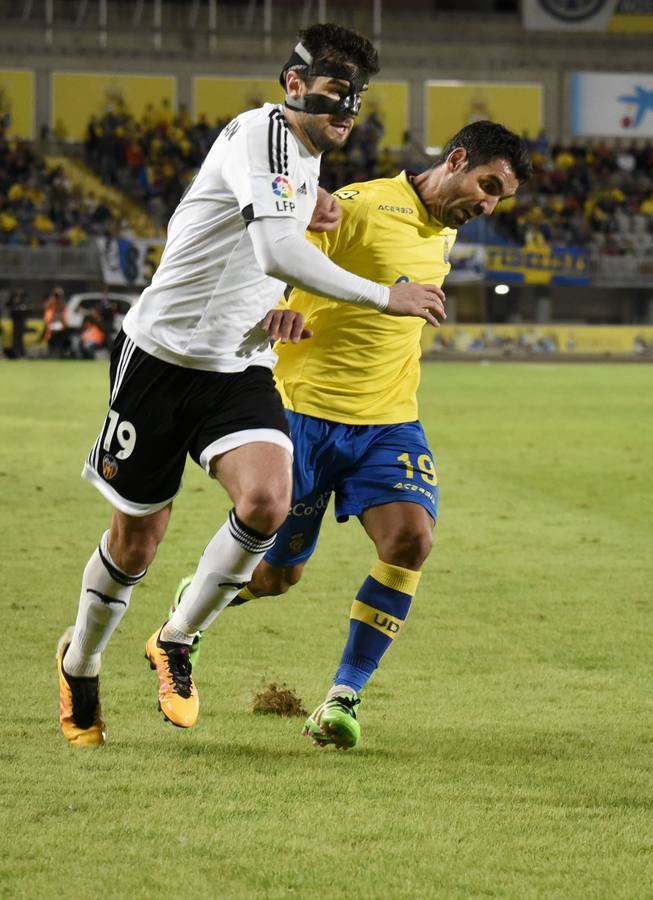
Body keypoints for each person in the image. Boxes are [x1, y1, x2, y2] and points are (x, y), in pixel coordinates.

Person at [56, 22, 447, 748]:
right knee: (136, 542)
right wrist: (382, 295)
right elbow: (272, 246)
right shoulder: (261, 135)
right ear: (292, 84)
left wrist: (296, 251)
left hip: (239, 366)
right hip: (162, 360)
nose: (343, 113)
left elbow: (269, 244)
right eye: (332, 93)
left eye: (355, 101)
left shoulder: (300, 160)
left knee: (267, 500)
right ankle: (80, 660)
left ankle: (177, 638)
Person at [175, 121, 532, 749]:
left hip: (390, 422)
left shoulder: (445, 228)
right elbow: (271, 257)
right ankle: (192, 611)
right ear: (455, 159)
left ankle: (343, 698)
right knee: (277, 576)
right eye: (487, 185)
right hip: (305, 416)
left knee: (412, 540)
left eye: (500, 196)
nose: (489, 204)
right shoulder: (360, 207)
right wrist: (274, 310)